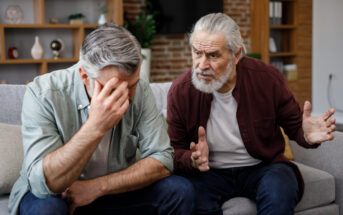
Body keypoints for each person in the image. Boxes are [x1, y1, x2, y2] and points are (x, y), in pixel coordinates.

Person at [9, 23, 194, 215]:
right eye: (112, 89)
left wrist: (96, 187)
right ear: (84, 76)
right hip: (57, 196)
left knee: (180, 190)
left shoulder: (141, 90)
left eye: (132, 85)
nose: (126, 97)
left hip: (113, 190)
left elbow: (163, 159)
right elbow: (44, 185)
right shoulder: (43, 93)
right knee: (47, 209)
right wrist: (95, 126)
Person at [167, 13, 336, 215]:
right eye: (196, 53)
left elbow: (295, 127)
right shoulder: (181, 91)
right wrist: (191, 160)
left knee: (280, 191)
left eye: (213, 55)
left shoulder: (267, 79)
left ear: (236, 55)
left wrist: (305, 134)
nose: (202, 65)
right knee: (190, 197)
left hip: (262, 167)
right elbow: (172, 151)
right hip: (208, 173)